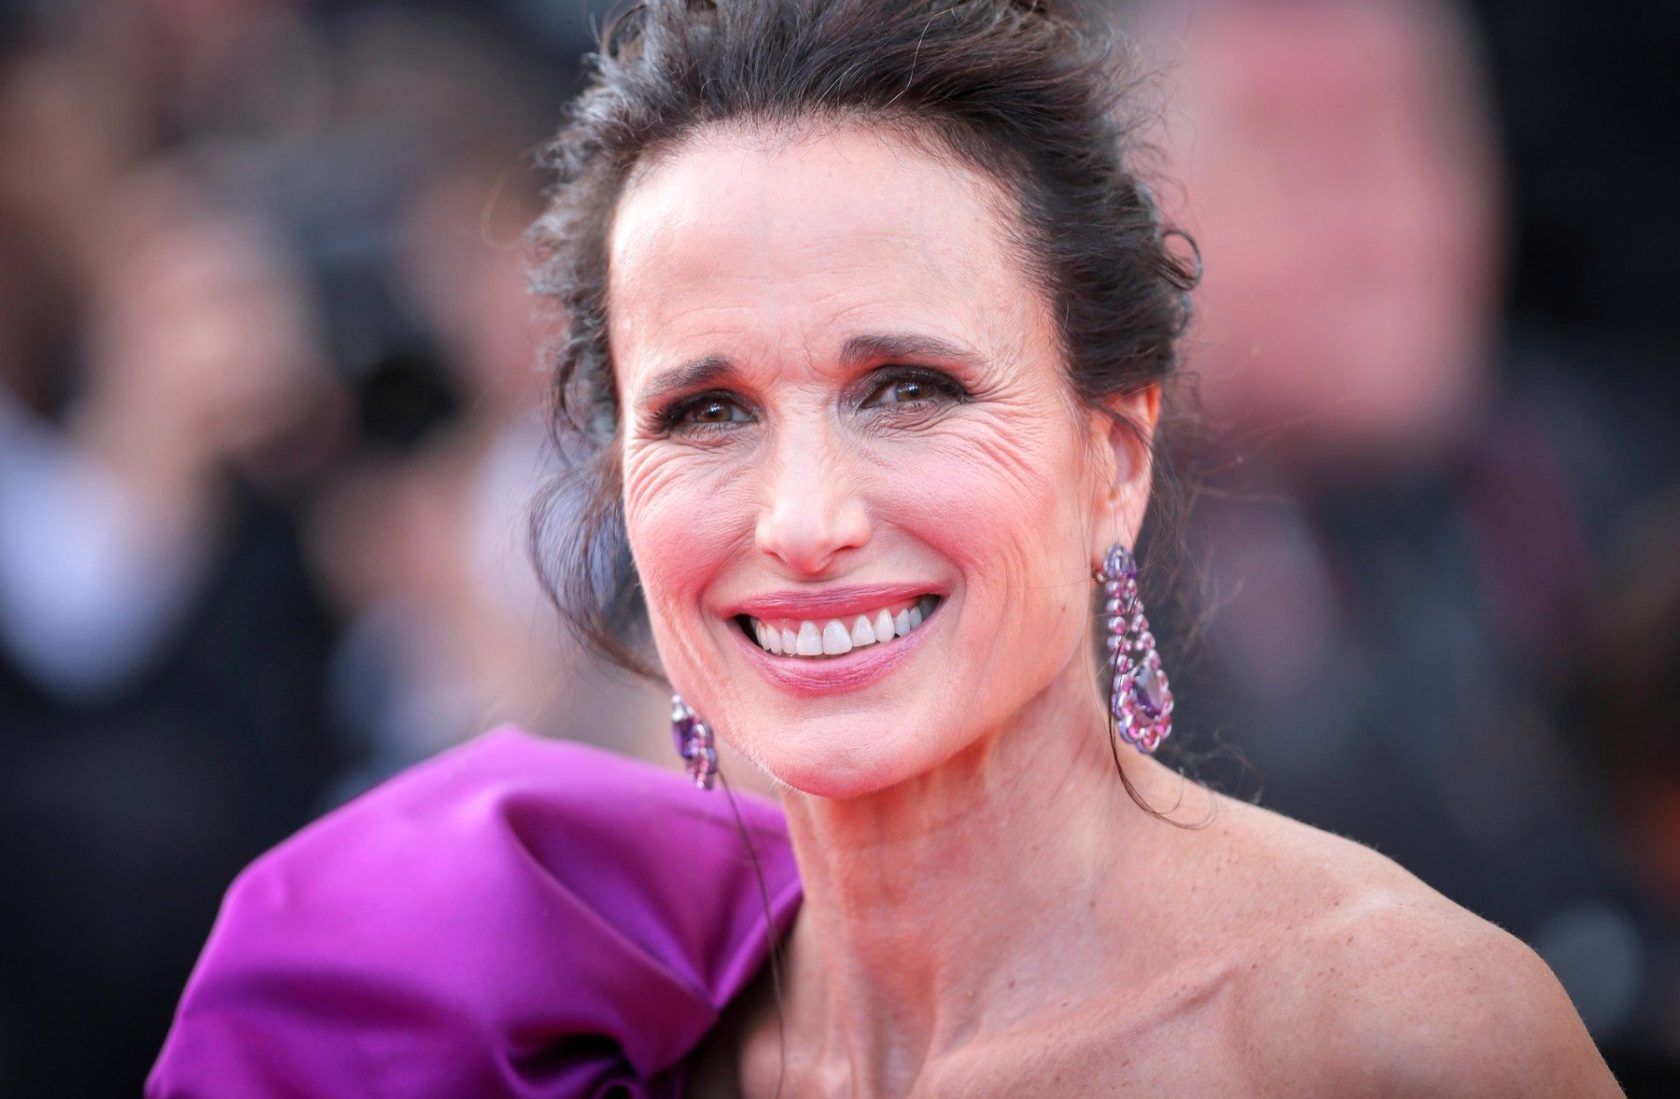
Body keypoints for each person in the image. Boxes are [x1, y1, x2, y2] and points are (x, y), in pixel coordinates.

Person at [148, 0, 1623, 1094]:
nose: (801, 524)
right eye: (706, 410)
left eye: (908, 390)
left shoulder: (1381, 1034)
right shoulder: (494, 1023)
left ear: (1114, 452)